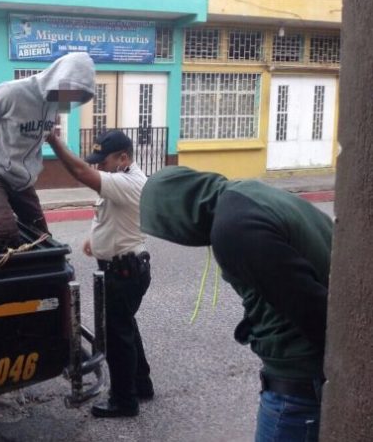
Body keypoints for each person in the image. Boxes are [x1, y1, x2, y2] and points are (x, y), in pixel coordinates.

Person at [139, 166, 332, 442]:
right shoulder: (248, 194)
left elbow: (311, 308)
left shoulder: (234, 228)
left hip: (298, 386)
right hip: (304, 377)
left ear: (179, 213)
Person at [45, 129, 153, 418]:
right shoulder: (123, 179)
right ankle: (141, 384)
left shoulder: (128, 181)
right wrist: (96, 240)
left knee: (118, 336)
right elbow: (110, 214)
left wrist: (54, 141)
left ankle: (124, 400)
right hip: (126, 266)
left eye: (103, 161)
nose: (98, 166)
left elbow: (80, 172)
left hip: (124, 271)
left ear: (123, 158)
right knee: (126, 327)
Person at [0, 52, 95, 255]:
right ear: (60, 78)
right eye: (72, 91)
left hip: (22, 180)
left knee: (42, 236)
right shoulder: (12, 92)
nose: (71, 99)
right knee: (5, 229)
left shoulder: (57, 102)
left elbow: (46, 134)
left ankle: (34, 280)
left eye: (79, 95)